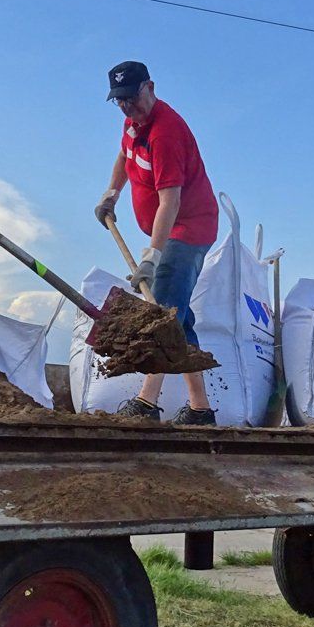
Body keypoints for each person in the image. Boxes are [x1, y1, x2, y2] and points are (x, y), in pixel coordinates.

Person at [94, 60, 218, 423]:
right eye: (119, 101)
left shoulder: (166, 133)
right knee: (177, 318)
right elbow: (123, 155)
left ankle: (146, 404)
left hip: (189, 229)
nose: (126, 107)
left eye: (132, 98)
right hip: (169, 230)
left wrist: (153, 255)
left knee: (160, 312)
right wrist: (111, 194)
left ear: (150, 87)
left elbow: (171, 202)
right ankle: (200, 409)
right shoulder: (133, 122)